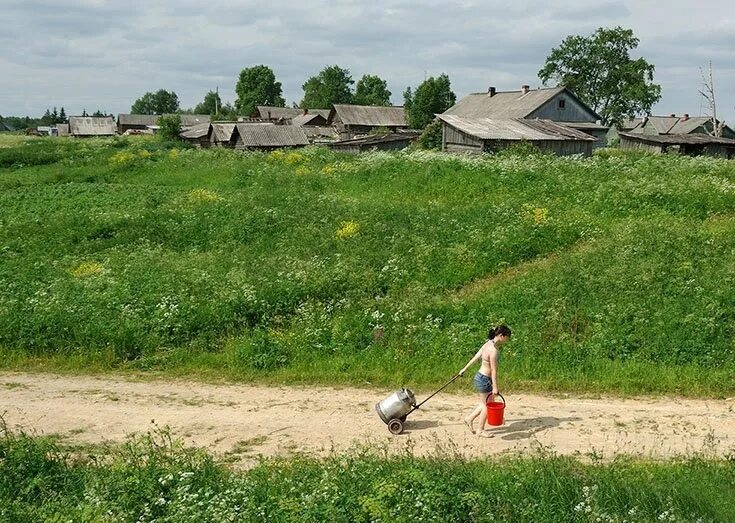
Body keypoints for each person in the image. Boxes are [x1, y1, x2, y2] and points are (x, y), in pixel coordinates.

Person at [459, 325, 511, 437]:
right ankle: (480, 430)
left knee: (485, 404)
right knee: (487, 406)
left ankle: (469, 419)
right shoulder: (494, 351)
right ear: (501, 336)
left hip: (480, 377)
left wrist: (464, 369)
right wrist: (495, 387)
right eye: (507, 337)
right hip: (484, 379)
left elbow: (476, 356)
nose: (507, 340)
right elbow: (493, 371)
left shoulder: (488, 343)